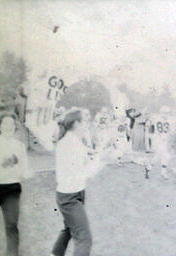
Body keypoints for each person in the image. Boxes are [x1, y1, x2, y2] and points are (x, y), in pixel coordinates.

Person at [51, 109, 105, 256]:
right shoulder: (69, 144)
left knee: (69, 229)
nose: (87, 125)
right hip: (69, 196)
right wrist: (100, 160)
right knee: (84, 238)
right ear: (76, 123)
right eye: (84, 121)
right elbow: (85, 172)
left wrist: (98, 155)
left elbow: (86, 160)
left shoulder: (74, 141)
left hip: (75, 192)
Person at [0, 112, 32, 256]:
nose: (9, 127)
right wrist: (5, 163)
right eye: (5, 124)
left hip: (12, 188)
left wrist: (26, 172)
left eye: (12, 124)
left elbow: (24, 169)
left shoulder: (19, 146)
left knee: (11, 225)